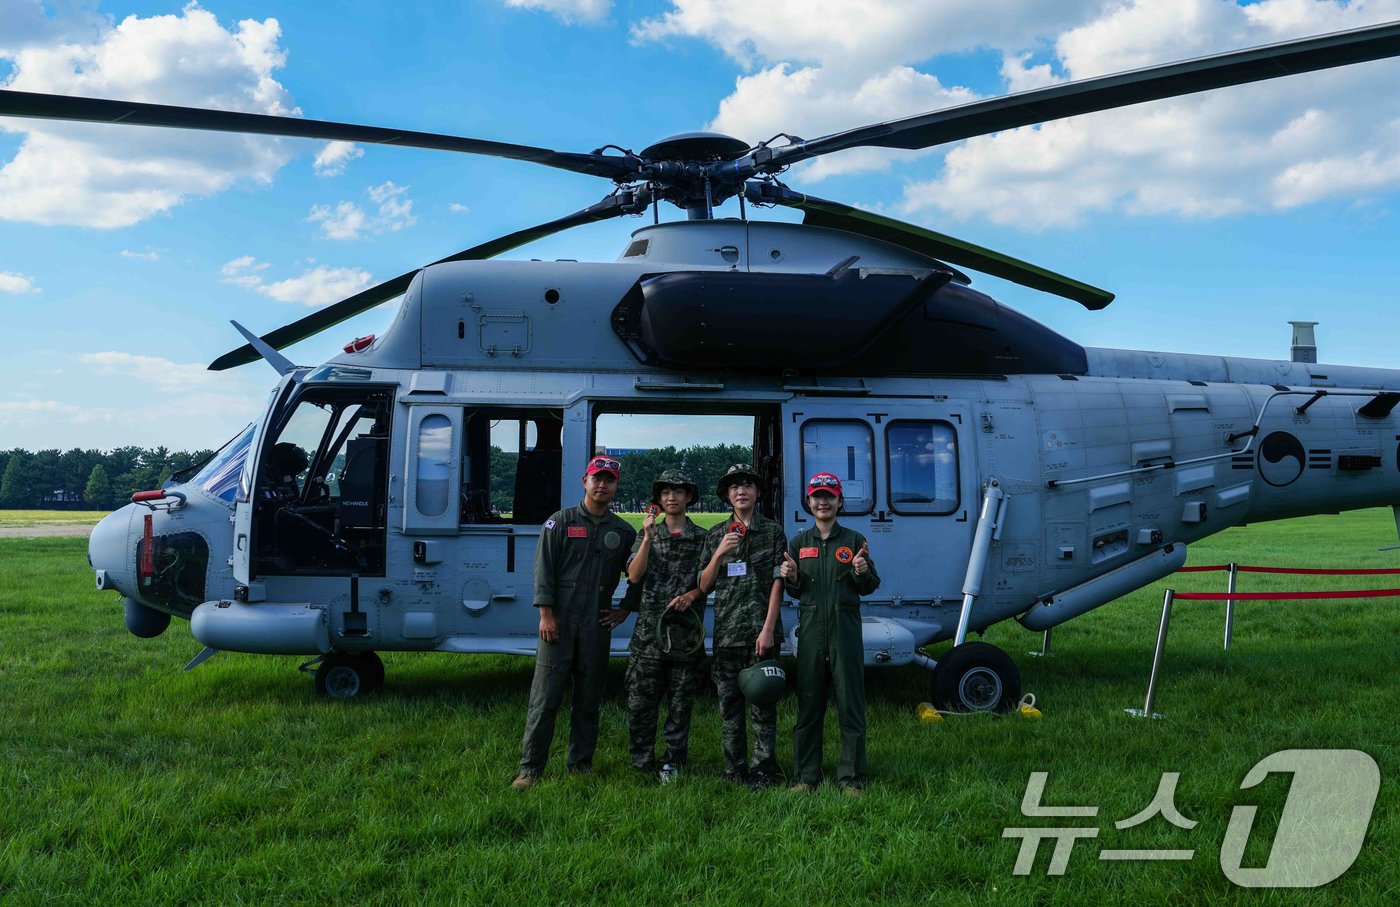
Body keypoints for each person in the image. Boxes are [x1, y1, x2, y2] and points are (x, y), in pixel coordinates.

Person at [512, 455, 637, 791]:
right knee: (544, 699)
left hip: (596, 625)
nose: (602, 485)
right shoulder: (561, 522)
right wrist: (546, 615)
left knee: (588, 700)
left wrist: (626, 607)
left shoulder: (623, 531)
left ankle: (580, 765)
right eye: (597, 478)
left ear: (615, 486)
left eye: (609, 480)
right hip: (559, 623)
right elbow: (543, 571)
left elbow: (638, 573)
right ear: (585, 480)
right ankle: (530, 769)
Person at [781, 472, 880, 796]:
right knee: (809, 704)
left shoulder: (853, 540)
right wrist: (792, 576)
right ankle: (805, 777)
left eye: (829, 496)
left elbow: (869, 585)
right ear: (808, 502)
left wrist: (861, 572)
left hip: (845, 631)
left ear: (840, 502)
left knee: (850, 703)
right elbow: (796, 591)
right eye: (817, 496)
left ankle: (850, 778)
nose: (823, 501)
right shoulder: (799, 543)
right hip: (811, 632)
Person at [698, 463, 787, 789]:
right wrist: (719, 554)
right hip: (727, 636)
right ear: (726, 495)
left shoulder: (773, 532)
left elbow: (779, 580)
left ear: (757, 492)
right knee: (729, 709)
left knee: (763, 706)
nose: (741, 491)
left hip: (761, 636)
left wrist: (767, 629)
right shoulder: (716, 535)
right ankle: (733, 768)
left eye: (747, 485)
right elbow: (704, 585)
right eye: (735, 487)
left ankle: (763, 769)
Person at [623, 469, 707, 784]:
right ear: (658, 499)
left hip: (684, 635)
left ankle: (672, 761)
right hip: (648, 636)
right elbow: (634, 576)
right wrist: (646, 537)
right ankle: (641, 761)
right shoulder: (646, 535)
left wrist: (692, 594)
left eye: (679, 492)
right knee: (641, 701)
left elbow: (708, 580)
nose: (672, 497)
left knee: (680, 702)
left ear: (688, 498)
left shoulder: (701, 538)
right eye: (666, 492)